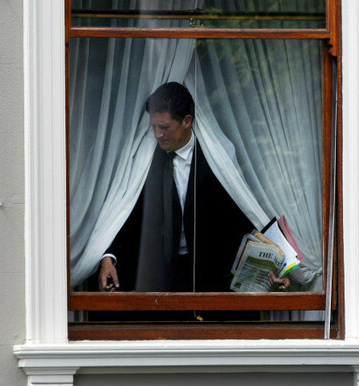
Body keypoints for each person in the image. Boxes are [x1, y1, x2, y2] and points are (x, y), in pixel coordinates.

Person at [97, 82, 254, 293]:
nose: (157, 134)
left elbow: (241, 216)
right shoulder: (143, 161)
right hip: (155, 281)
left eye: (164, 127)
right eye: (153, 126)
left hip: (212, 279)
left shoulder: (217, 159)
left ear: (187, 121)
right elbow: (126, 213)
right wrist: (109, 256)